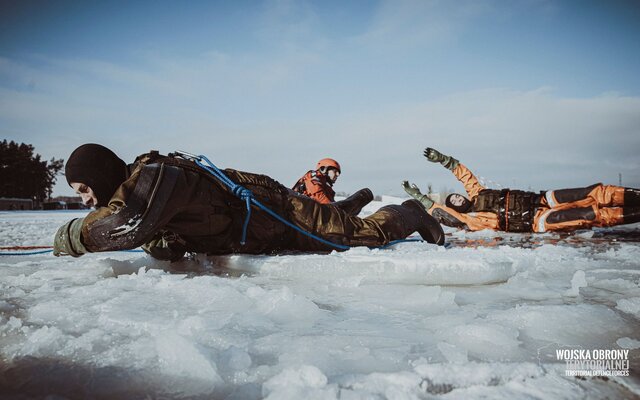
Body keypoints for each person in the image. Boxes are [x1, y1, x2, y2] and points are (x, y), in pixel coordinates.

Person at [54, 144, 445, 260]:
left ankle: (410, 212)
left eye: (85, 189)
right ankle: (352, 204)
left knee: (360, 237)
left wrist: (72, 236)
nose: (87, 201)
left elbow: (126, 223)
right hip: (261, 229)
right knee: (334, 226)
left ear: (104, 176)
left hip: (275, 210)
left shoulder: (153, 176)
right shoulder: (142, 189)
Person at [402, 147, 640, 233]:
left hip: (544, 199)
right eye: (453, 200)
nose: (456, 198)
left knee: (596, 192)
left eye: (456, 195)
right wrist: (421, 199)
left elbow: (464, 175)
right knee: (592, 214)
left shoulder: (478, 193)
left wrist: (445, 160)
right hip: (539, 220)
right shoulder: (473, 220)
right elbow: (447, 216)